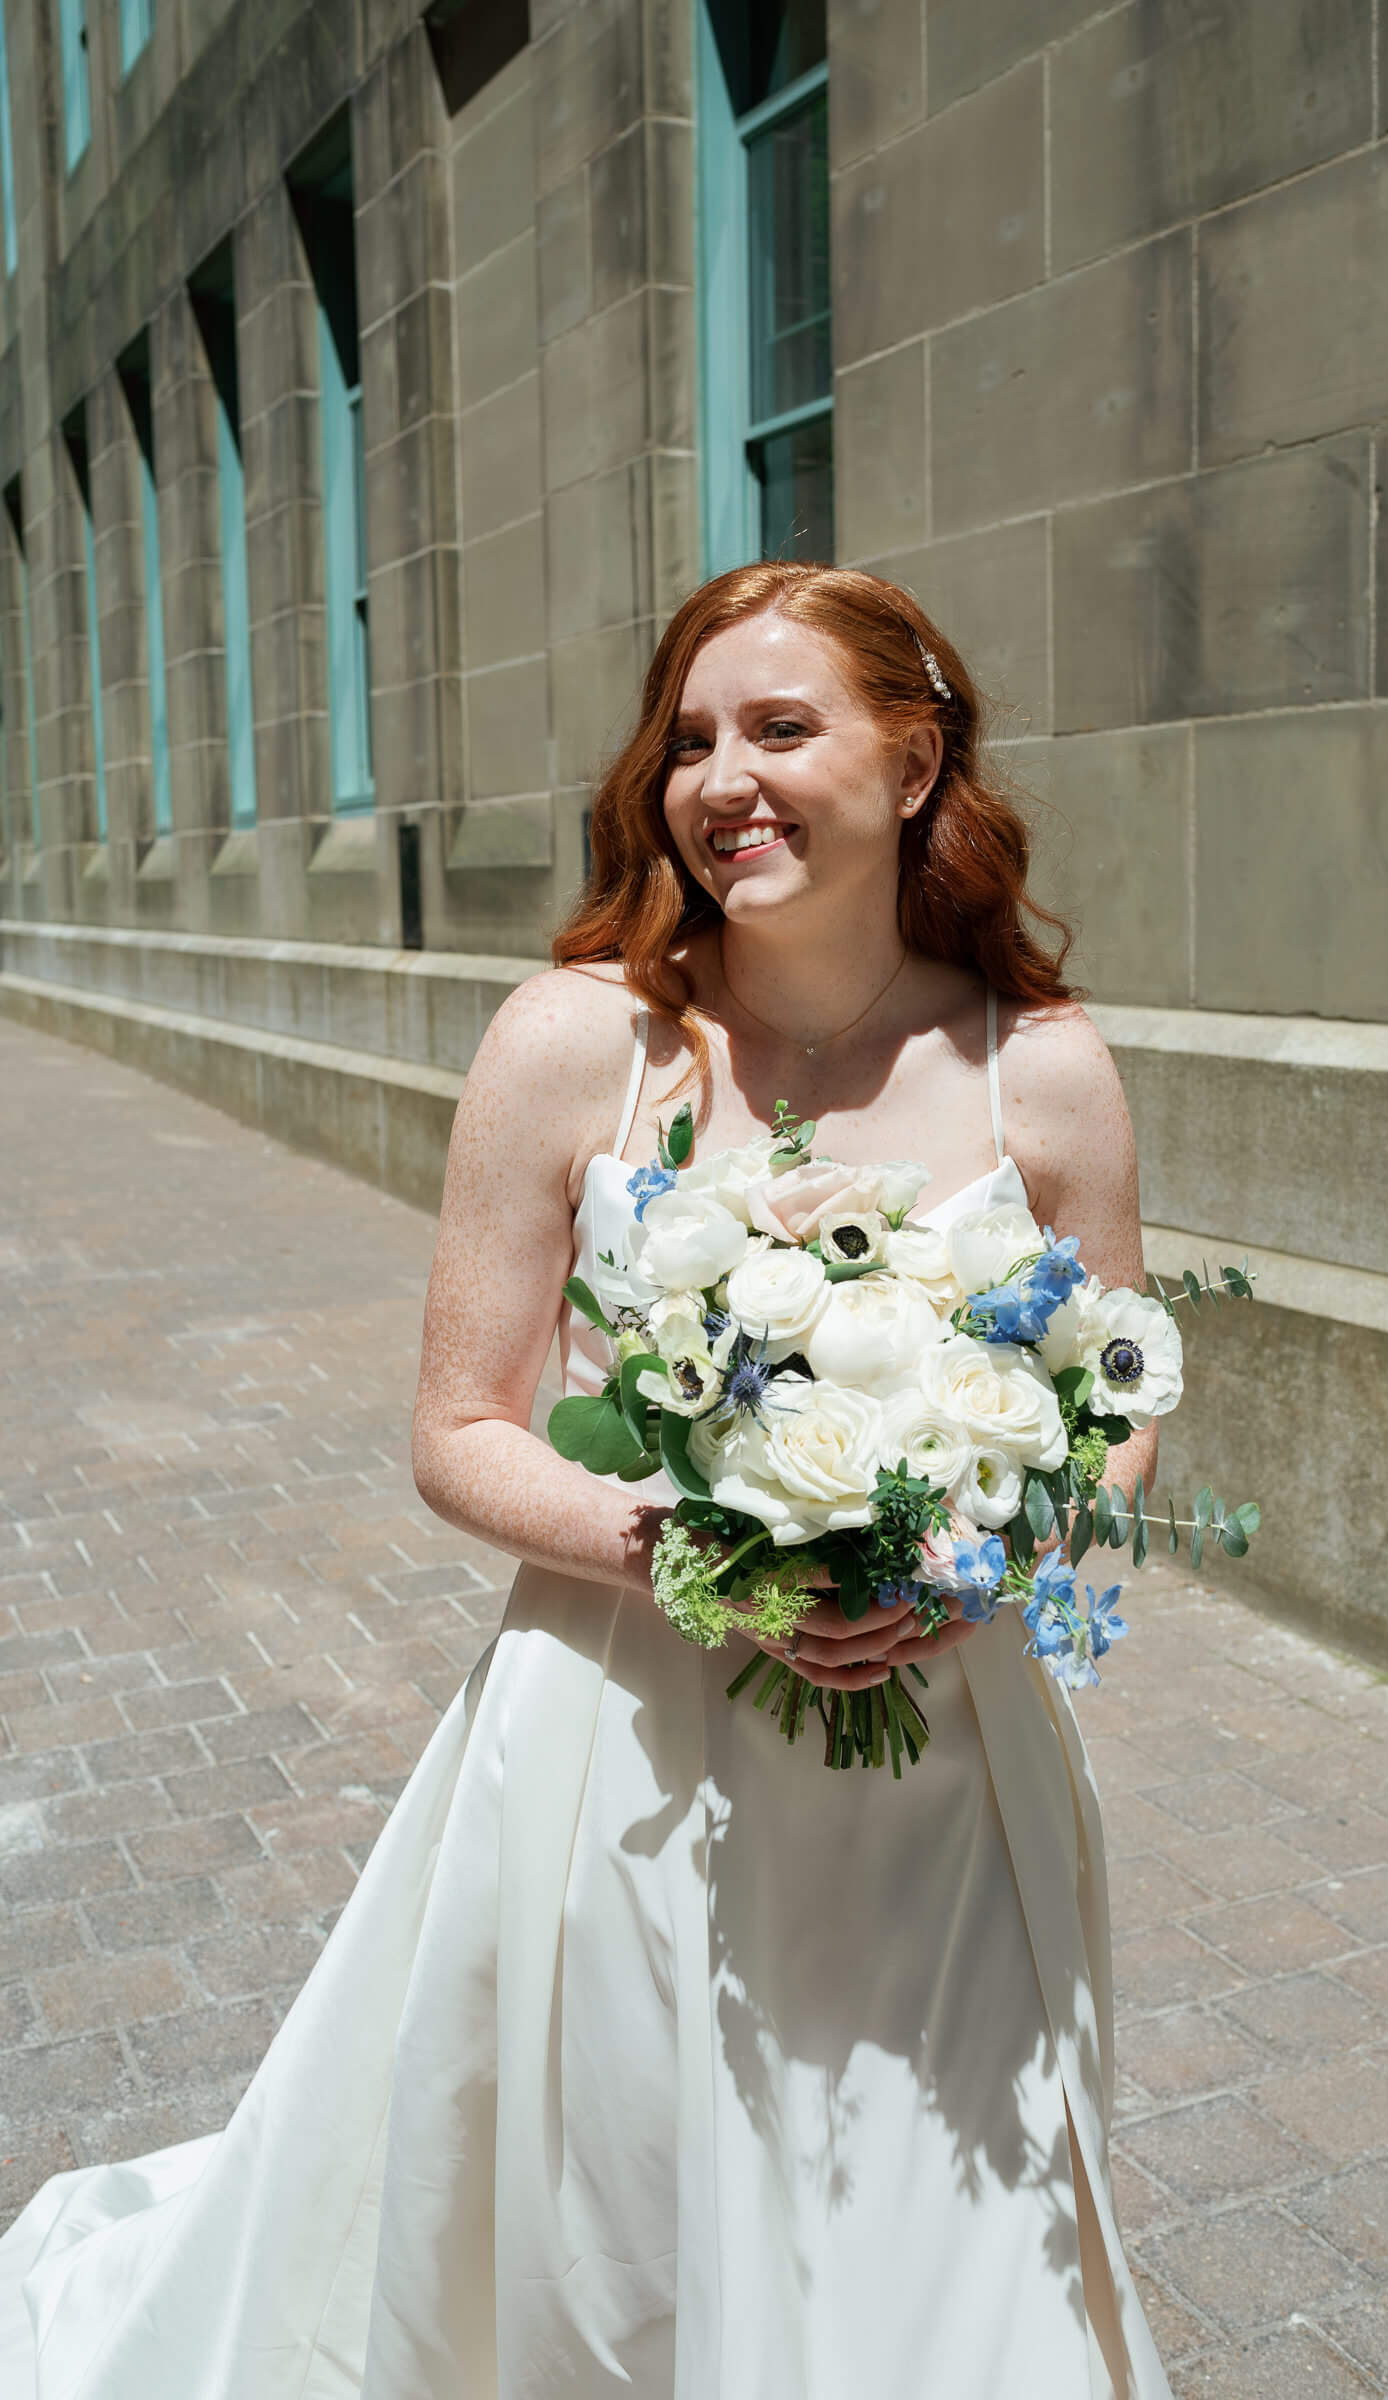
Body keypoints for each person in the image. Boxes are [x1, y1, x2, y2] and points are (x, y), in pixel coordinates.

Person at [0, 562, 1171, 2397]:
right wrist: (719, 1556)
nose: (722, 781)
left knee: (948, 2243)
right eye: (691, 740)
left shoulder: (1047, 1068)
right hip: (624, 1755)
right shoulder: (573, 1046)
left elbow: (1117, 1400)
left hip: (948, 1765)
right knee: (618, 2236)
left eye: (781, 728)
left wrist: (967, 1560)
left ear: (917, 754)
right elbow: (459, 1430)